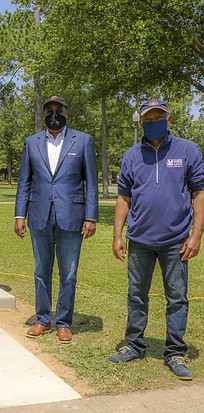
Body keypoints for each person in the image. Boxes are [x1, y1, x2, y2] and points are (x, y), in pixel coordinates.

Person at [109, 99, 204, 380]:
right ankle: (134, 345)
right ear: (141, 123)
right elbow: (123, 198)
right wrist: (117, 235)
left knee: (177, 298)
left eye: (158, 117)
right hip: (139, 239)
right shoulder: (131, 156)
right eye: (148, 118)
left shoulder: (188, 151)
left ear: (169, 119)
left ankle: (175, 351)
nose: (153, 122)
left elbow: (199, 194)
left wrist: (196, 235)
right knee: (136, 295)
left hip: (176, 240)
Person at [14, 96, 99, 344]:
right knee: (41, 271)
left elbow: (91, 183)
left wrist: (91, 216)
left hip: (71, 216)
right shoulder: (31, 143)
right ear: (44, 114)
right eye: (49, 110)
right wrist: (20, 214)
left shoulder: (83, 141)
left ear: (66, 112)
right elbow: (24, 182)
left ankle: (63, 322)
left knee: (69, 273)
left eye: (58, 110)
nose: (54, 114)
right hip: (39, 215)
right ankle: (42, 319)